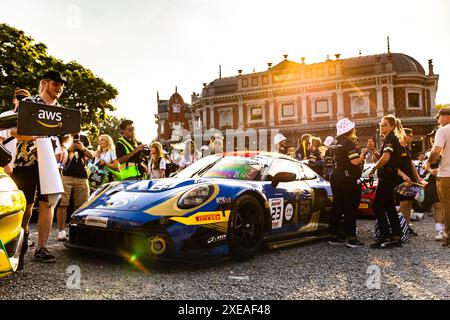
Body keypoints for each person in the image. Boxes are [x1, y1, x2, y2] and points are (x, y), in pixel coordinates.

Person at [12, 71, 68, 263]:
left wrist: (65, 148)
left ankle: (42, 248)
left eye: (61, 84)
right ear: (44, 83)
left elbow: (68, 136)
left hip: (51, 164)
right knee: (25, 205)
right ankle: (21, 238)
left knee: (48, 203)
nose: (59, 87)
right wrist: (35, 136)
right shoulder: (29, 103)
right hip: (26, 161)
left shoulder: (62, 110)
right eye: (55, 83)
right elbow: (13, 130)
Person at [328, 118, 366, 248]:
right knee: (350, 207)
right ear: (350, 130)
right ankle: (352, 238)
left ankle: (333, 235)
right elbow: (355, 162)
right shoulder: (348, 143)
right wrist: (363, 154)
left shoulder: (333, 142)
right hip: (347, 177)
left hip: (334, 176)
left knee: (337, 206)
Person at [368, 115, 404, 249]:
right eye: (381, 124)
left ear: (392, 126)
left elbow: (385, 158)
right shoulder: (391, 139)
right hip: (390, 177)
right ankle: (396, 236)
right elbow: (383, 157)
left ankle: (384, 237)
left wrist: (373, 169)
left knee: (377, 206)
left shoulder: (390, 139)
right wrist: (373, 150)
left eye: (384, 124)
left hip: (387, 178)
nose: (381, 126)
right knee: (389, 207)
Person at [57, 132, 94, 241]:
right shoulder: (62, 136)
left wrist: (83, 148)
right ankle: (61, 231)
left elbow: (92, 155)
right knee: (62, 204)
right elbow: (57, 154)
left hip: (82, 176)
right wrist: (69, 148)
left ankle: (78, 230)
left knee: (81, 206)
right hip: (65, 175)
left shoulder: (84, 137)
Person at [427, 107, 450, 247]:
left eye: (439, 117)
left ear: (446, 117)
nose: (438, 120)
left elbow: (436, 150)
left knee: (447, 206)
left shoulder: (443, 131)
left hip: (446, 174)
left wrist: (430, 161)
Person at [396, 128, 422, 236]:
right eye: (410, 135)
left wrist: (418, 178)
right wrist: (403, 176)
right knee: (403, 204)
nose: (412, 137)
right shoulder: (397, 148)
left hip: (410, 182)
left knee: (409, 204)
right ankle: (395, 226)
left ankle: (405, 227)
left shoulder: (407, 149)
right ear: (404, 135)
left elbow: (411, 165)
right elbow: (394, 166)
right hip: (401, 181)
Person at [0, 88, 31, 176]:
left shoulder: (30, 120)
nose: (22, 101)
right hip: (6, 168)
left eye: (26, 99)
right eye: (19, 98)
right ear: (14, 100)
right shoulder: (5, 116)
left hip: (23, 167)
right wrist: (6, 166)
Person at [424, 129, 445, 241]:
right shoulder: (429, 152)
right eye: (431, 137)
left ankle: (446, 230)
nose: (432, 139)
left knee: (446, 206)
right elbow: (425, 165)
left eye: (434, 137)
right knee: (437, 205)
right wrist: (430, 170)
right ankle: (439, 230)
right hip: (433, 181)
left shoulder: (446, 150)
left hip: (446, 179)